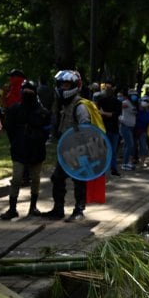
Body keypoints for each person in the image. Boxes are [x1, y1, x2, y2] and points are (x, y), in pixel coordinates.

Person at [46, 69, 94, 222]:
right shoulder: (64, 104)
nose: (63, 88)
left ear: (74, 85)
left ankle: (79, 209)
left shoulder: (80, 106)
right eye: (61, 85)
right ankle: (58, 208)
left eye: (66, 85)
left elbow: (85, 129)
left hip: (78, 150)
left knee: (79, 180)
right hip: (65, 149)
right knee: (57, 178)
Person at [0, 80, 50, 219]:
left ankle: (33, 207)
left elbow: (46, 132)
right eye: (25, 91)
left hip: (36, 151)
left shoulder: (42, 112)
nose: (27, 94)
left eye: (30, 91)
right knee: (16, 179)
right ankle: (12, 209)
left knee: (35, 179)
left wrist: (37, 138)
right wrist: (16, 141)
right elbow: (9, 129)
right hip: (19, 150)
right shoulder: (15, 109)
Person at [96, 84, 122, 176]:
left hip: (103, 127)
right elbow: (116, 115)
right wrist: (109, 114)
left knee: (103, 150)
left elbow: (98, 112)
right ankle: (113, 169)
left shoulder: (101, 101)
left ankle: (103, 170)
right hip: (114, 128)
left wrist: (104, 113)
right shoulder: (118, 102)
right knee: (113, 150)